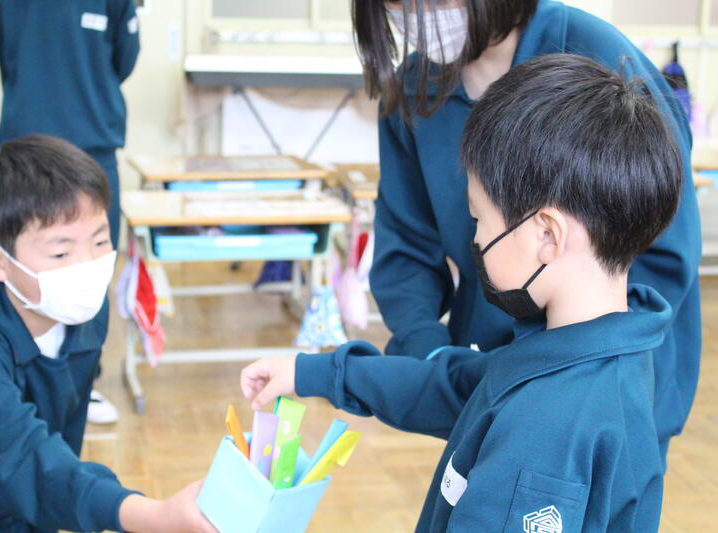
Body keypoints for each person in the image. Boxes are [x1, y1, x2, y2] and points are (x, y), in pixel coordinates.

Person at [241, 54, 681, 532]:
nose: (475, 239)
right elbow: (449, 387)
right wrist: (314, 373)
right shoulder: (588, 350)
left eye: (479, 218)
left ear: (547, 235)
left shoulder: (545, 428)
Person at [352, 0, 701, 462]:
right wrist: (429, 354)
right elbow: (406, 246)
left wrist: (565, 371)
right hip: (488, 375)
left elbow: (664, 248)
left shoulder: (592, 54)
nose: (417, 13)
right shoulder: (415, 89)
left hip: (602, 380)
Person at [0, 135, 216, 533]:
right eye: (61, 253)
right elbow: (24, 462)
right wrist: (155, 516)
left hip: (25, 509)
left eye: (100, 240)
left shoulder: (85, 310)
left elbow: (61, 444)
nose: (88, 266)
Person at [0, 0, 141, 423]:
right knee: (20, 273)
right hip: (27, 150)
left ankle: (81, 385)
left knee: (91, 270)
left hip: (89, 142)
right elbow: (9, 52)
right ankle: (19, 380)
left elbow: (124, 58)